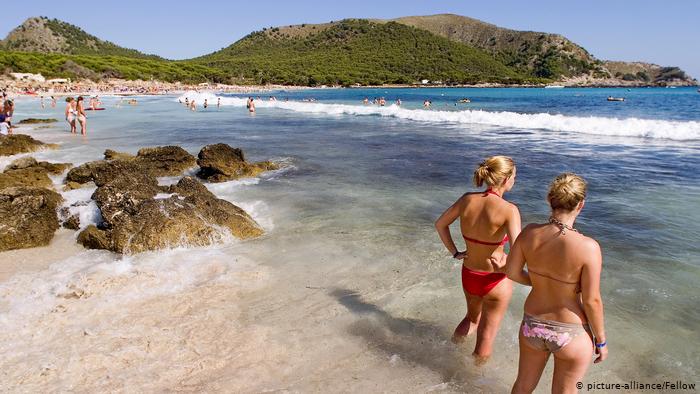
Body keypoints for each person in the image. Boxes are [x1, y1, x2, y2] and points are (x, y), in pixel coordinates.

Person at [507, 173, 607, 393]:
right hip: (570, 331)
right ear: (581, 204)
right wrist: (601, 340)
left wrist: (539, 283)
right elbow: (592, 300)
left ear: (549, 200)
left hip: (532, 325)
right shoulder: (588, 247)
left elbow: (512, 272)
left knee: (522, 386)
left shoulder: (529, 233)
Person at [435, 156, 521, 362]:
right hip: (495, 279)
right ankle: (474, 379)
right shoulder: (509, 210)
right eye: (514, 177)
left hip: (470, 273)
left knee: (471, 320)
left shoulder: (467, 200)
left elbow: (440, 224)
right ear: (506, 178)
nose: (515, 181)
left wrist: (455, 252)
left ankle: (448, 353)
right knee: (487, 336)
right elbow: (520, 250)